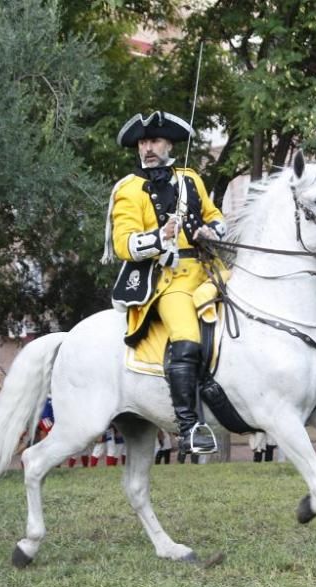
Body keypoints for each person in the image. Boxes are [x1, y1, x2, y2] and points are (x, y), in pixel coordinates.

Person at [103, 111, 227, 456]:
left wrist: (210, 231)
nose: (148, 148)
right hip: (166, 280)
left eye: (154, 140)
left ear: (169, 143)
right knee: (186, 340)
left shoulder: (191, 178)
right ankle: (190, 428)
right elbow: (122, 244)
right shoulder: (128, 189)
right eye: (143, 142)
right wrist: (160, 237)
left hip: (210, 270)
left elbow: (216, 217)